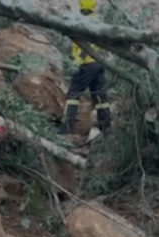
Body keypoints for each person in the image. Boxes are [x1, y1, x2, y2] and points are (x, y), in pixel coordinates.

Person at [58, 0, 111, 136]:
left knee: (73, 95)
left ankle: (66, 127)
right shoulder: (98, 22)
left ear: (81, 5)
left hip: (85, 64)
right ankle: (106, 127)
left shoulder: (80, 23)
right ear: (94, 6)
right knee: (100, 96)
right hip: (99, 64)